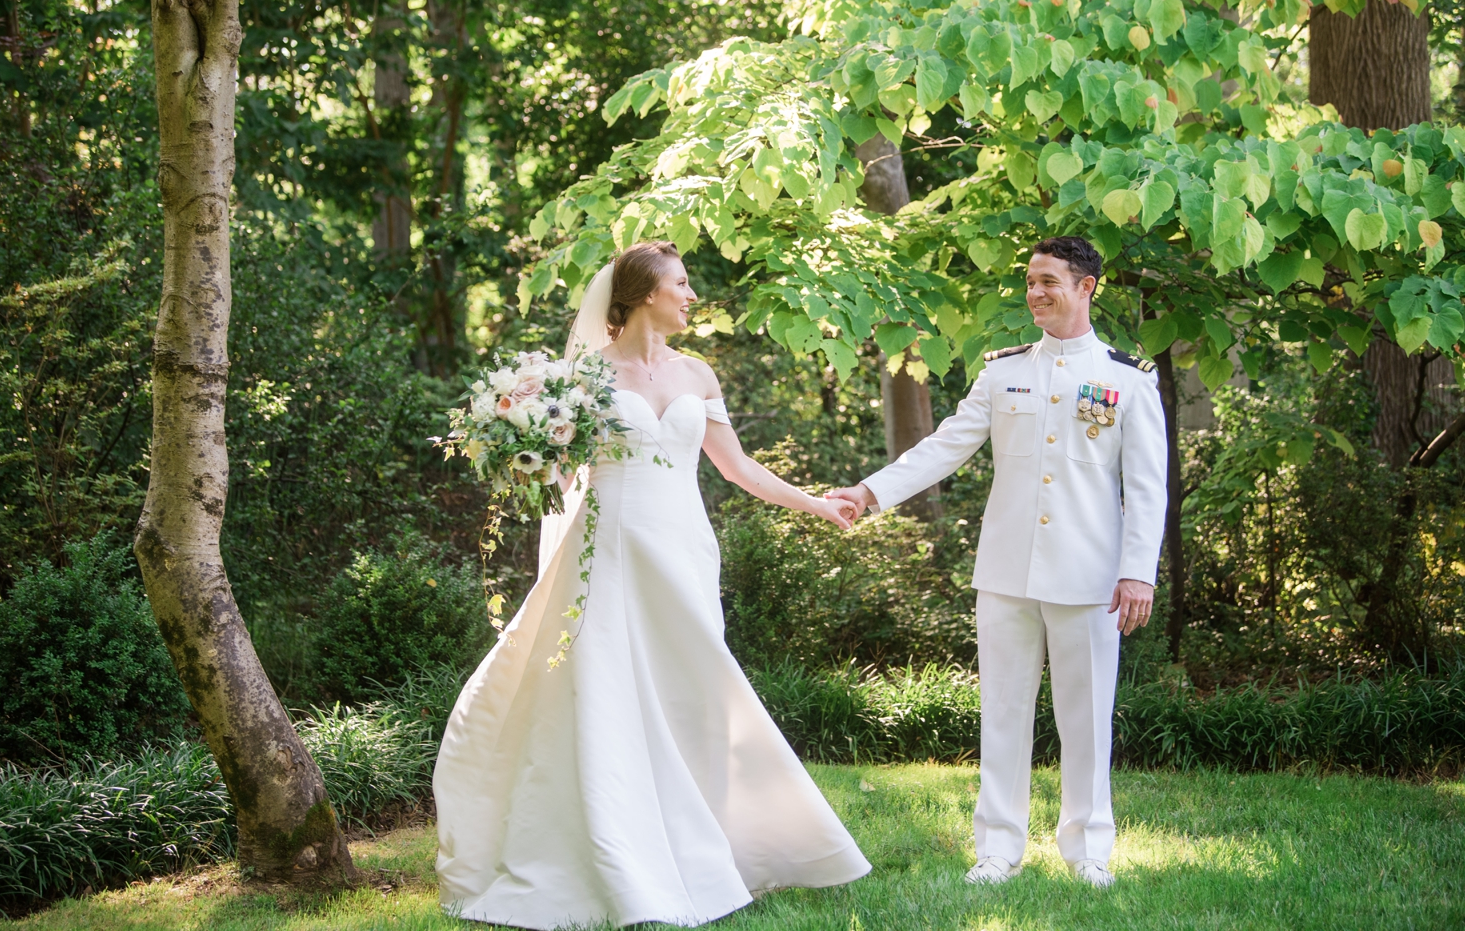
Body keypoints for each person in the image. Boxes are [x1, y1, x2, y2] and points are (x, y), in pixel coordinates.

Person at [433, 241, 871, 928]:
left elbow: (739, 470)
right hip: (608, 547)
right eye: (682, 283)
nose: (692, 295)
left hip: (684, 547)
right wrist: (521, 451)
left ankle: (707, 843)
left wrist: (817, 503)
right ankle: (611, 849)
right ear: (642, 294)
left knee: (692, 693)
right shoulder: (584, 377)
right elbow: (552, 468)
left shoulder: (697, 374)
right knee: (606, 691)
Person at [827, 235, 1167, 888]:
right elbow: (945, 445)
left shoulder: (1127, 379)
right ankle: (998, 850)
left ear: (1087, 286)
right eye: (1031, 281)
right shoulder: (1003, 370)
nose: (1036, 292)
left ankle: (1088, 849)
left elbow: (1148, 484)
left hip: (1091, 578)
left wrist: (1138, 570)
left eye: (1050, 281)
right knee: (1003, 713)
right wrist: (871, 491)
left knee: (1087, 717)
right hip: (1007, 572)